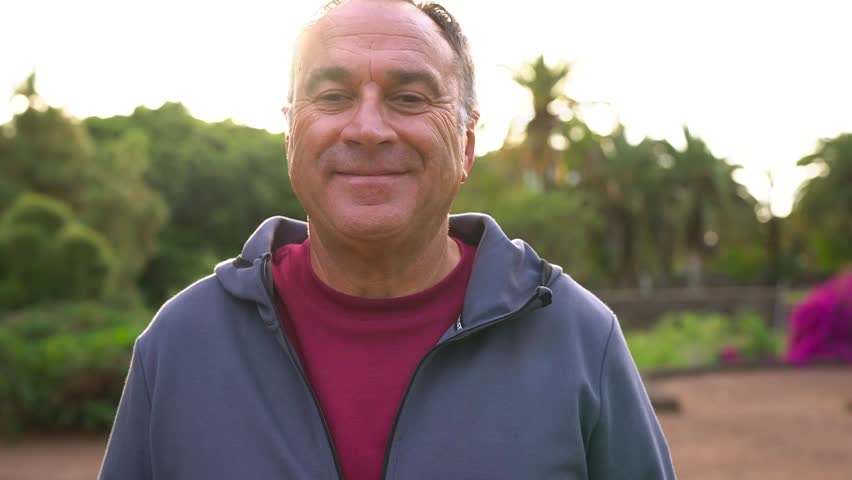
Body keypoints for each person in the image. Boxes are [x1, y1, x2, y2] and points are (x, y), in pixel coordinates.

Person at [99, 0, 675, 478]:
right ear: (290, 135)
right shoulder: (182, 344)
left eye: (409, 98)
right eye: (331, 97)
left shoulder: (577, 338)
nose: (368, 129)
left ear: (467, 144)